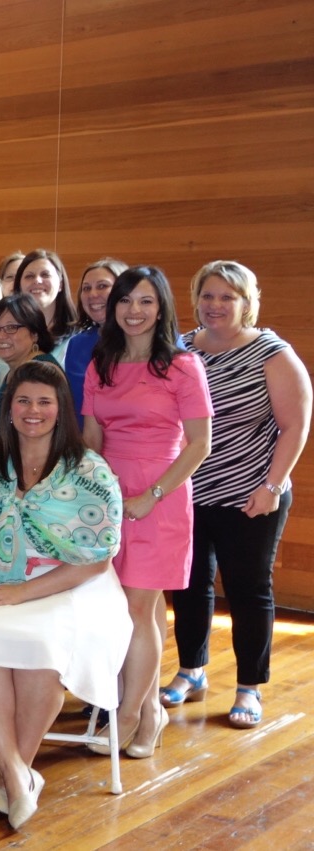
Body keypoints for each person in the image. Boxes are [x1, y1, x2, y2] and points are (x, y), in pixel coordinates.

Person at [0, 360, 130, 830]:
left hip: (73, 584)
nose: (33, 410)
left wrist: (24, 592)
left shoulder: (89, 470)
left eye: (44, 402)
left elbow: (96, 559)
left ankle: (14, 771)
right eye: (24, 401)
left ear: (60, 410)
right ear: (8, 409)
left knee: (46, 648)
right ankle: (16, 775)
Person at [169, 260, 311, 728]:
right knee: (188, 585)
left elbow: (295, 425)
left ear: (247, 303)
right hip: (189, 490)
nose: (215, 306)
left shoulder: (272, 352)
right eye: (207, 296)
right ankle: (192, 670)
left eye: (227, 297)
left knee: (249, 590)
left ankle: (249, 686)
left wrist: (272, 486)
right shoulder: (182, 348)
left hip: (252, 494)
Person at [82, 266, 213, 756]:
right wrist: (93, 489)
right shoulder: (102, 363)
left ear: (161, 309)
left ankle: (128, 712)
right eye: (125, 301)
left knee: (136, 607)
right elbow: (92, 436)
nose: (133, 311)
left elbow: (199, 443)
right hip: (108, 496)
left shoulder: (183, 366)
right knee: (141, 608)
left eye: (145, 302)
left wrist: (150, 495)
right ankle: (151, 710)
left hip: (161, 494)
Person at [0, 293, 59, 441]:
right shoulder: (16, 370)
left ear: (34, 333)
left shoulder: (39, 371)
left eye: (11, 327)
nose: (1, 336)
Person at [61, 259, 128, 420]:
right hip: (84, 441)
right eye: (86, 288)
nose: (92, 294)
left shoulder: (153, 338)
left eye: (102, 286)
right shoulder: (77, 345)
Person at [12, 249, 77, 357]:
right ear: (19, 286)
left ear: (60, 285)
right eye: (29, 276)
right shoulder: (7, 333)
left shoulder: (78, 336)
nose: (37, 280)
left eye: (45, 275)